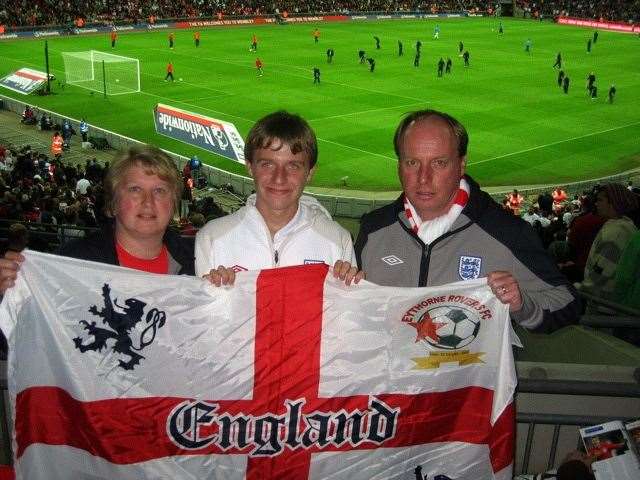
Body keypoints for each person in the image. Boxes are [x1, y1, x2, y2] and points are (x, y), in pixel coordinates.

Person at [354, 110, 580, 332]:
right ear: (399, 164)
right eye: (412, 163)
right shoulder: (373, 230)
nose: (423, 178)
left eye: (439, 163)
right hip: (390, 368)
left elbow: (567, 302)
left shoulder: (506, 232)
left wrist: (523, 305)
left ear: (461, 165)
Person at [0, 145, 197, 296]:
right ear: (112, 202)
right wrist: (6, 292)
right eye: (135, 189)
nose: (148, 201)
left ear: (173, 205)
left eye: (160, 191)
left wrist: (224, 289)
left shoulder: (200, 261)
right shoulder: (73, 263)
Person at [194, 111, 360, 285]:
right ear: (250, 167)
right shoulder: (212, 238)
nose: (279, 178)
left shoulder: (337, 240)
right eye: (267, 164)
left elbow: (347, 312)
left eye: (293, 166)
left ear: (310, 172)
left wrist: (353, 291)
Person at [579, 183, 639, 310]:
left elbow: (601, 272)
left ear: (614, 203)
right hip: (606, 305)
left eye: (600, 200)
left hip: (603, 308)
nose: (596, 204)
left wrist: (578, 288)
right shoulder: (622, 225)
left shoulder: (617, 232)